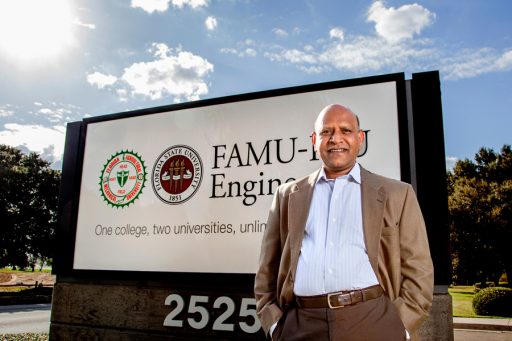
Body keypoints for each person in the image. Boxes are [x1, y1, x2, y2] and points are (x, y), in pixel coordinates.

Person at [254, 104, 433, 340]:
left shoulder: (397, 194)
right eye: (326, 131)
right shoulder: (287, 195)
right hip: (300, 325)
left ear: (360, 138)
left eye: (345, 131)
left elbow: (418, 267)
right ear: (314, 139)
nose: (335, 138)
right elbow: (267, 267)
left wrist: (400, 326)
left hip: (374, 322)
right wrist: (276, 324)